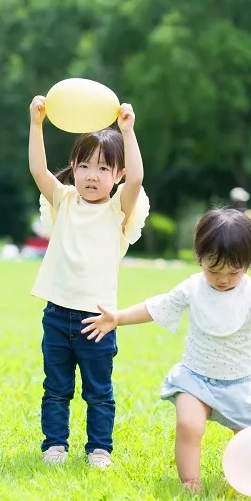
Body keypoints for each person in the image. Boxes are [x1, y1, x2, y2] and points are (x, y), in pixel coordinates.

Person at [80, 209, 251, 491]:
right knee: (189, 425)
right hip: (195, 378)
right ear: (200, 259)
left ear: (248, 263)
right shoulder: (193, 287)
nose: (223, 279)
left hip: (238, 384)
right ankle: (190, 482)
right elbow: (157, 306)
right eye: (213, 270)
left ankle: (247, 481)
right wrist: (118, 317)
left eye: (233, 272)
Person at [27, 95, 150, 469]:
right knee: (56, 389)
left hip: (98, 321)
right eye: (83, 166)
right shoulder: (63, 201)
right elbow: (38, 170)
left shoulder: (118, 211)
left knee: (99, 392)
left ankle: (99, 449)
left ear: (118, 175)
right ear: (74, 170)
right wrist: (36, 125)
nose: (91, 175)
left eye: (102, 168)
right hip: (57, 313)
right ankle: (55, 446)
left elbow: (139, 176)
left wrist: (127, 132)